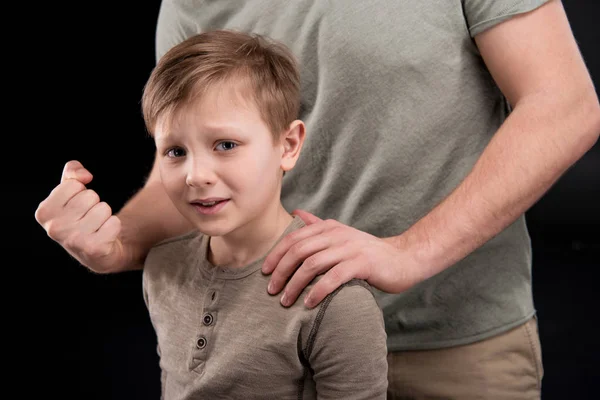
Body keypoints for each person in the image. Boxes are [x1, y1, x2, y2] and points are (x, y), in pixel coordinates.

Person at [35, 0, 600, 398]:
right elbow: (198, 160)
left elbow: (564, 105)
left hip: (451, 343)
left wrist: (408, 253)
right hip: (273, 348)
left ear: (291, 145)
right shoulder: (190, 3)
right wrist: (118, 242)